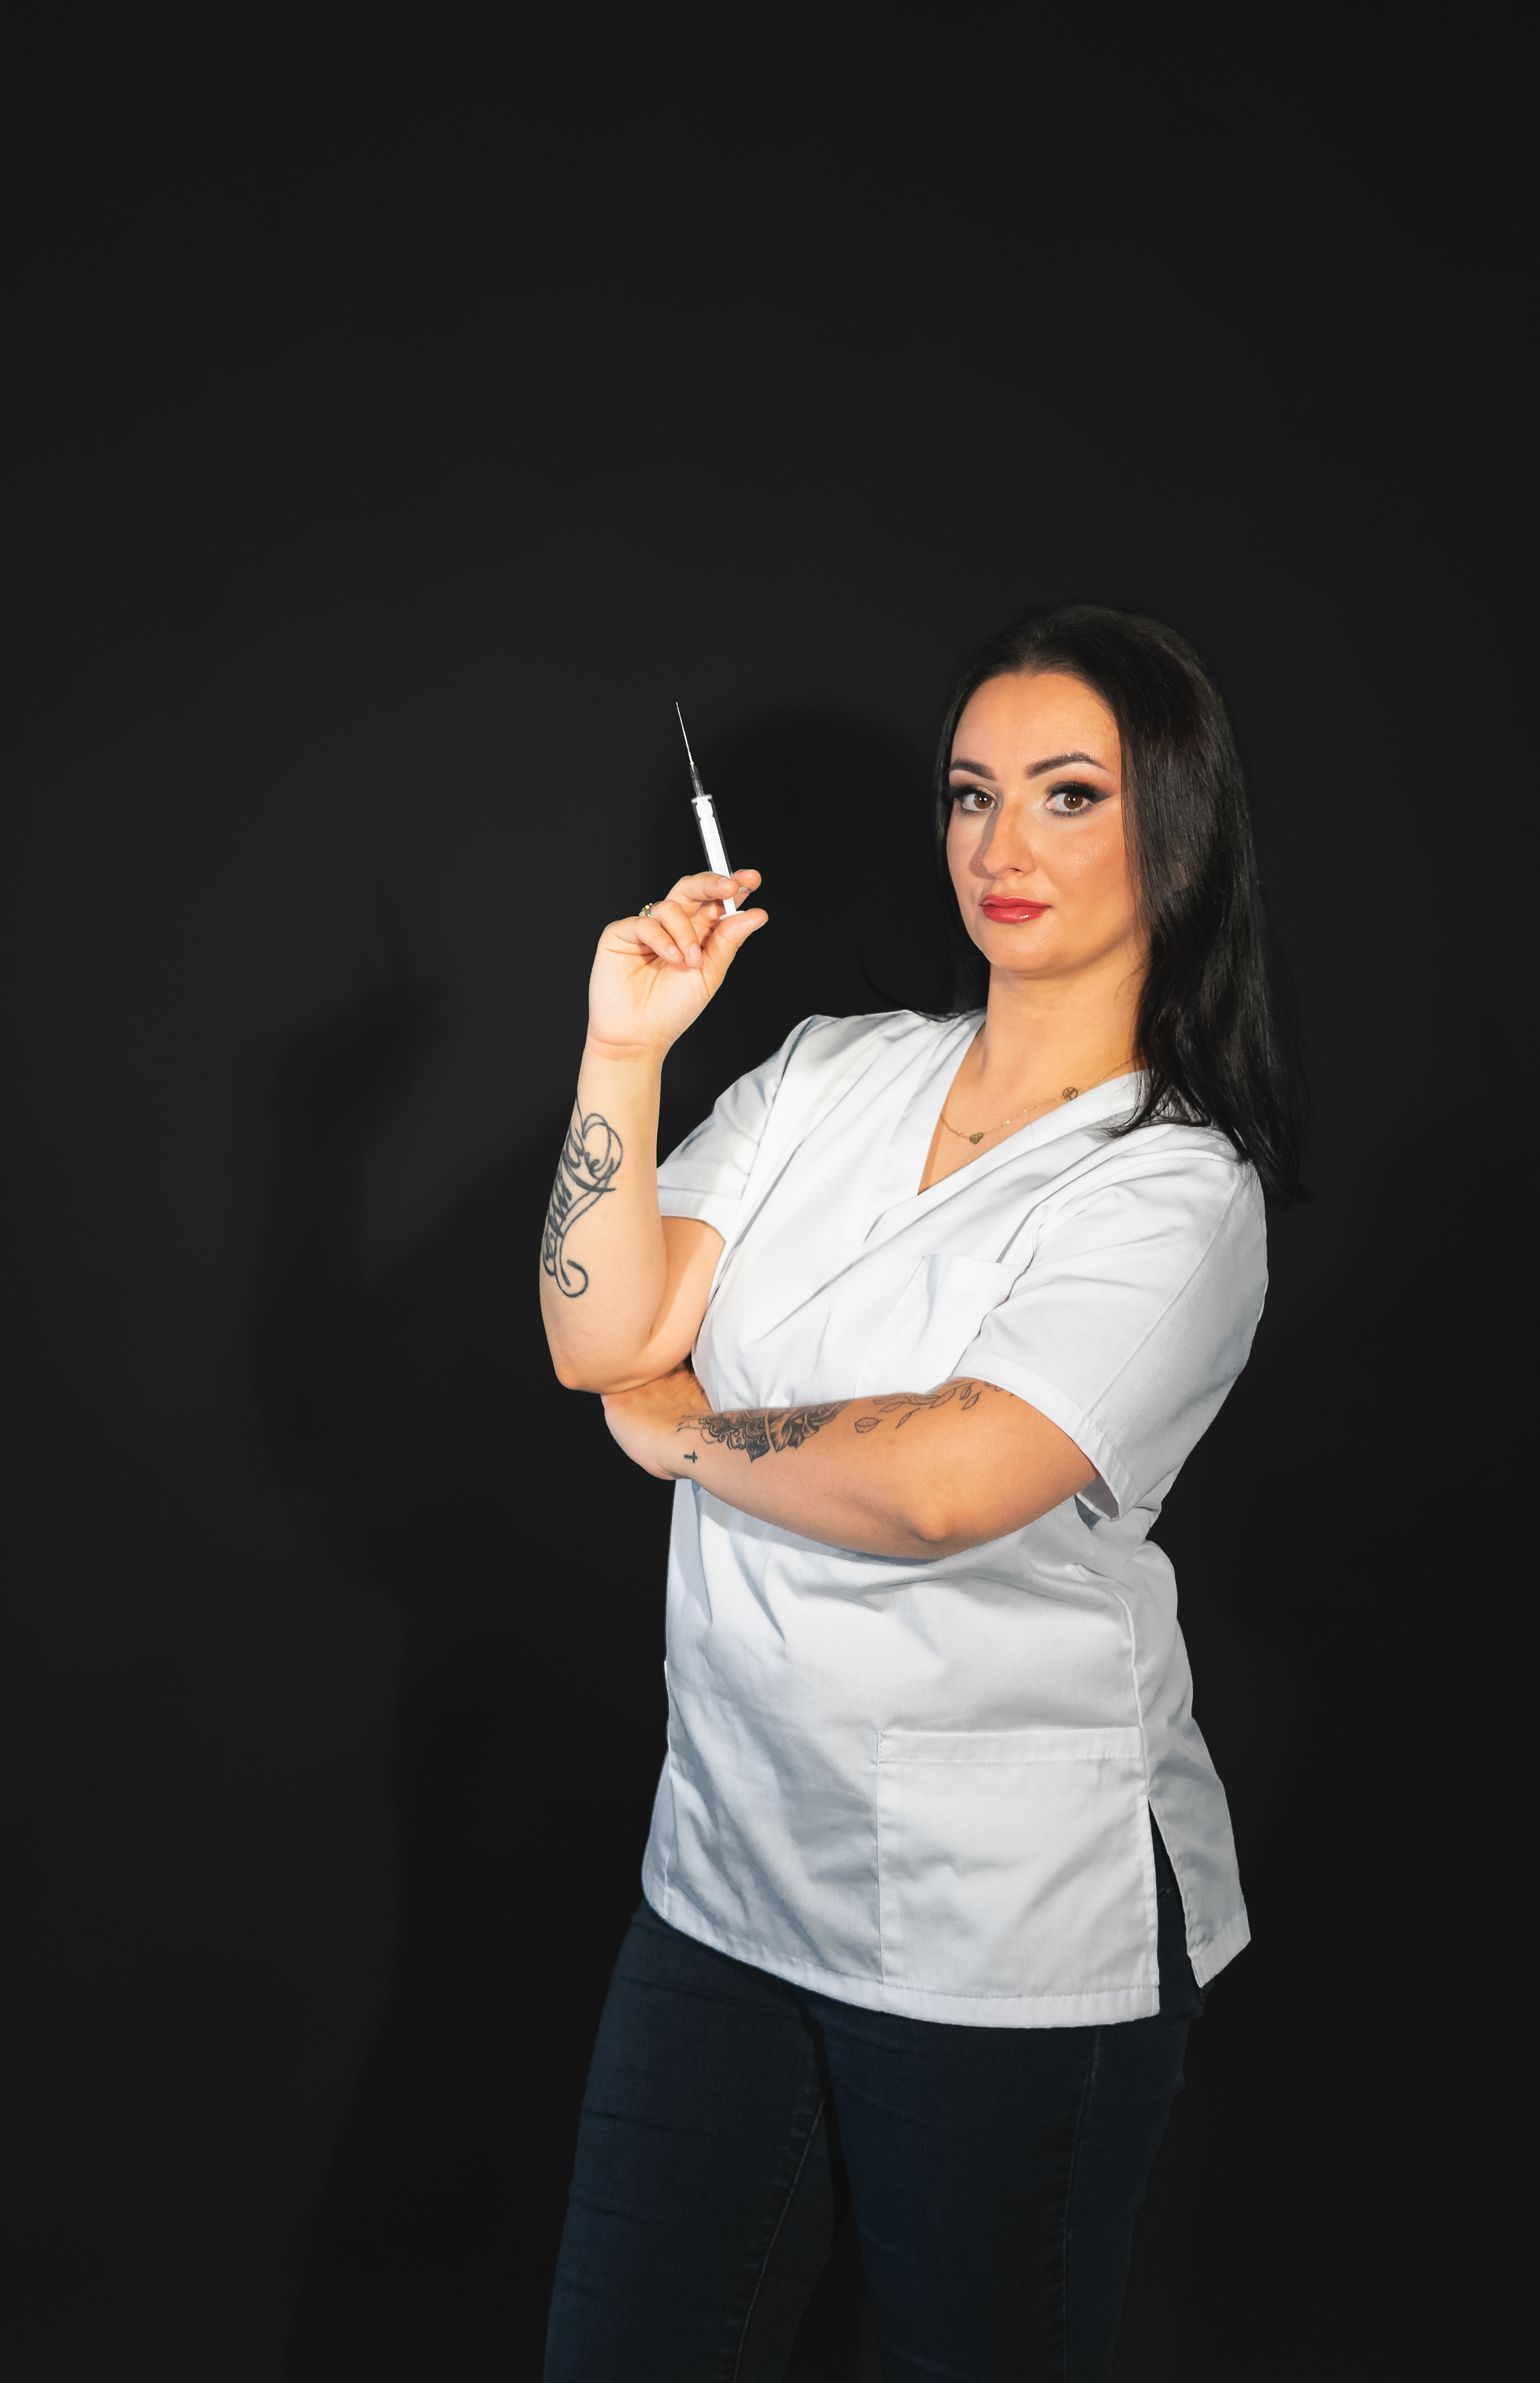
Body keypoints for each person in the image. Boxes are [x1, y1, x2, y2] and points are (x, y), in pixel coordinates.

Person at [538, 606, 1300, 2382]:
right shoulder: (831, 1071)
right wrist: (623, 1050)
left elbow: (954, 1479)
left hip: (1002, 1923)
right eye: (972, 794)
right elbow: (602, 1329)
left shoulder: (1176, 1190)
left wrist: (687, 1437)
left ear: (1176, 830)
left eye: (1067, 794)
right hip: (728, 1875)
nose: (1002, 843)